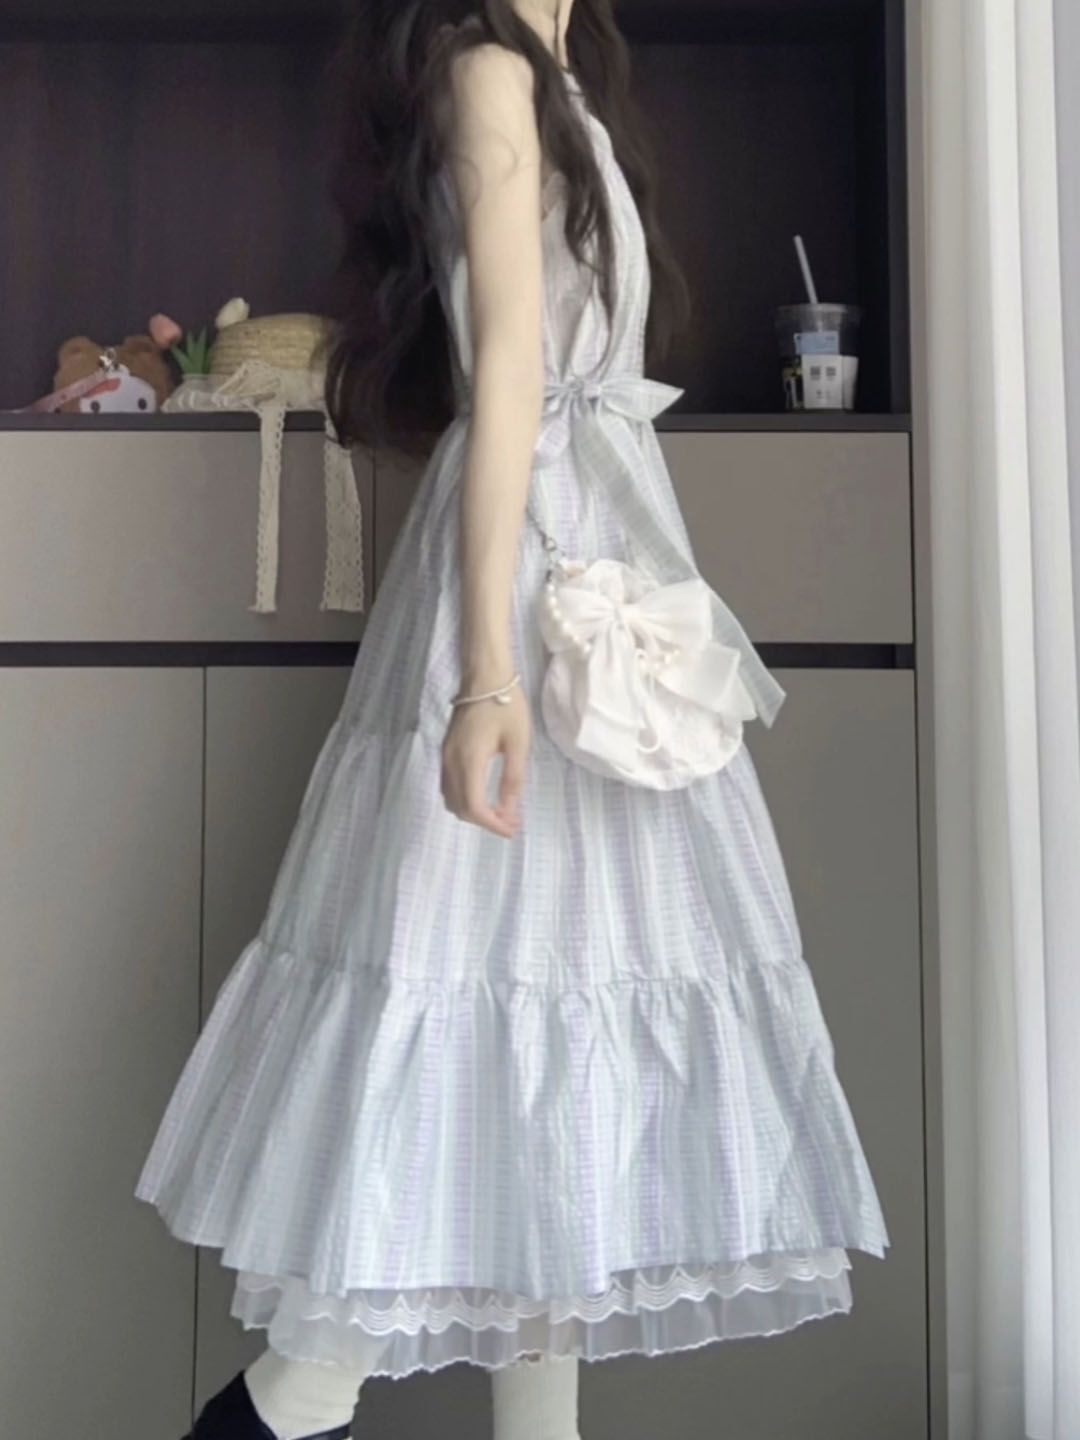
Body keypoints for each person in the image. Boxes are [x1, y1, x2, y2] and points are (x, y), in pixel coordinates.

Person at [136, 1, 891, 1436]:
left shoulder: (554, 81)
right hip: (534, 590)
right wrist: (486, 673)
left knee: (551, 1151)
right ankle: (289, 1402)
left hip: (587, 568)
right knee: (463, 1048)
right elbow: (510, 382)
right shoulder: (489, 70)